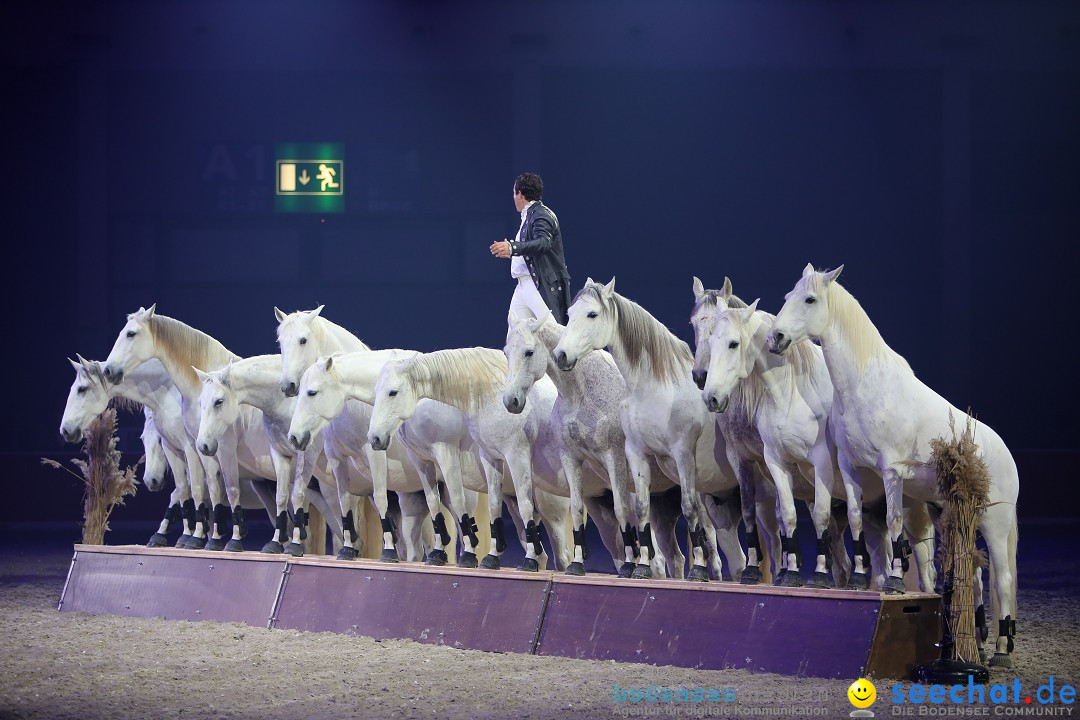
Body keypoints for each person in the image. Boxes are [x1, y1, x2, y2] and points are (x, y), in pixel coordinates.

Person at [489, 172, 572, 325]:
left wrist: (513, 247)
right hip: (522, 287)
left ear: (519, 193)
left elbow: (543, 243)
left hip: (538, 285)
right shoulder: (529, 216)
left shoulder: (541, 215)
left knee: (554, 333)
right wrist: (513, 252)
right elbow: (531, 249)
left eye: (514, 193)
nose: (513, 198)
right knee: (516, 335)